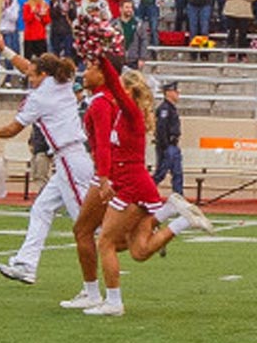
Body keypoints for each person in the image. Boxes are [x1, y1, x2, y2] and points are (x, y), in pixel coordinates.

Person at [78, 56, 216, 316]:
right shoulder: (124, 114)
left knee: (105, 242)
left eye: (119, 86)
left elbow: (115, 89)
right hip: (129, 183)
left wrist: (102, 56)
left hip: (133, 186)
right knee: (139, 251)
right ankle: (182, 221)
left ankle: (114, 302)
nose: (116, 90)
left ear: (128, 90)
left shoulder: (130, 112)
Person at [0, 50, 101, 299]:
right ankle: (26, 265)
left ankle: (134, 240)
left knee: (87, 226)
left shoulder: (39, 98)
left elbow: (12, 129)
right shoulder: (61, 81)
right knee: (41, 209)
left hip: (70, 160)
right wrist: (4, 48)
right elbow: (27, 66)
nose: (28, 77)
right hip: (68, 160)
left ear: (44, 74)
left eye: (32, 75)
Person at [152, 85, 185, 196]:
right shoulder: (165, 109)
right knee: (160, 173)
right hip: (167, 146)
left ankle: (179, 198)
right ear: (168, 92)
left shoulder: (171, 108)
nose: (177, 93)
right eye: (175, 91)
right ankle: (145, 193)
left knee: (177, 174)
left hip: (173, 145)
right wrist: (165, 145)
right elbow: (161, 128)